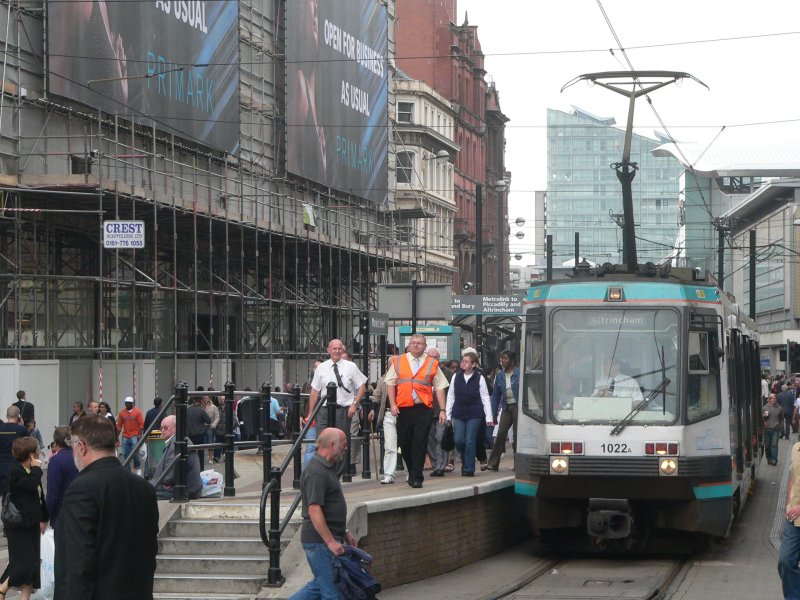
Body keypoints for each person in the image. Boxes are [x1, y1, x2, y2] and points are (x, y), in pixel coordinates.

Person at [54, 414, 158, 599]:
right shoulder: (144, 488)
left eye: (72, 446)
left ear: (81, 447)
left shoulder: (82, 489)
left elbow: (76, 562)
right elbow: (148, 552)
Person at [289, 428, 357, 600]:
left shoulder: (326, 468)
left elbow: (329, 507)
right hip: (320, 543)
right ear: (332, 444)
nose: (346, 448)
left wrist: (344, 531)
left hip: (324, 541)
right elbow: (314, 509)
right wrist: (331, 542)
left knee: (319, 587)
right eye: (344, 444)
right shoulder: (316, 471)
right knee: (332, 593)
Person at [386, 333, 448, 488]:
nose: (415, 345)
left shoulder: (431, 363)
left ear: (424, 346)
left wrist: (442, 410)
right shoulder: (399, 361)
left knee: (419, 442)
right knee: (404, 443)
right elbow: (390, 383)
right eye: (413, 342)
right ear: (409, 344)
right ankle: (413, 471)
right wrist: (393, 404)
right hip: (403, 408)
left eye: (419, 343)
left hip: (423, 408)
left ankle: (417, 477)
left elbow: (440, 387)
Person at [305, 339, 368, 475]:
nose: (337, 351)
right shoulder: (321, 368)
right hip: (324, 410)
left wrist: (354, 404)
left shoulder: (351, 366)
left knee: (340, 444)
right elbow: (314, 391)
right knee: (322, 441)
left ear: (343, 350)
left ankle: (336, 476)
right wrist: (311, 413)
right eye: (334, 348)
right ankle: (322, 473)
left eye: (340, 348)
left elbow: (362, 387)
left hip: (343, 410)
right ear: (328, 350)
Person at [0, 437, 48, 600]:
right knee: (24, 564)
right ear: (31, 455)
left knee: (33, 565)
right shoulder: (15, 471)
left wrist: (44, 517)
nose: (39, 453)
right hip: (18, 525)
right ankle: (2, 588)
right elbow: (29, 485)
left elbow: (39, 497)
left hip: (32, 523)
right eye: (37, 450)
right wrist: (37, 469)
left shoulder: (31, 471)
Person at [445, 350, 494, 477]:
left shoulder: (479, 377)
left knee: (470, 440)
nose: (463, 363)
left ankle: (469, 468)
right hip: (459, 412)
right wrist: (448, 414)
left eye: (466, 362)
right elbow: (451, 396)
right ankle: (465, 459)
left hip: (475, 413)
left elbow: (485, 397)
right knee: (458, 439)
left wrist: (489, 417)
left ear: (473, 364)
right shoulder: (456, 377)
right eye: (463, 361)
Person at [150, 416, 202, 500]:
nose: (162, 430)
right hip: (186, 488)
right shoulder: (176, 441)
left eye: (166, 428)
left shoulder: (176, 443)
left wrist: (163, 483)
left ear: (176, 428)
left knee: (144, 493)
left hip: (183, 490)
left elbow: (169, 477)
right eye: (161, 428)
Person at [485, 350, 520, 472]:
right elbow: (496, 396)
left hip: (517, 407)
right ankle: (493, 463)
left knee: (517, 436)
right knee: (500, 434)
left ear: (512, 360)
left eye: (505, 358)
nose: (503, 361)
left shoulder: (519, 373)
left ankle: (518, 464)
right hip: (506, 407)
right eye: (501, 359)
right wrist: (494, 414)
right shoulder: (500, 375)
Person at [368, 359, 398, 484]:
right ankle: (389, 474)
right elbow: (377, 396)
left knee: (406, 445)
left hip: (404, 414)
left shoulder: (405, 378)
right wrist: (372, 409)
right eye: (391, 364)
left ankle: (411, 472)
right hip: (388, 414)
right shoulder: (383, 379)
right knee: (389, 446)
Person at [45, 426, 79, 530]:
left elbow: (52, 493)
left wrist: (45, 517)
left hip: (62, 513)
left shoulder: (56, 461)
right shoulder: (80, 456)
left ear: (55, 441)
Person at [425, 347, 451, 477]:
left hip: (441, 411)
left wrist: (447, 410)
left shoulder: (447, 373)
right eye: (431, 357)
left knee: (440, 438)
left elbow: (451, 393)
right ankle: (436, 464)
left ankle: (441, 465)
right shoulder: (423, 371)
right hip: (427, 411)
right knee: (430, 439)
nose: (434, 359)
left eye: (436, 357)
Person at [0, 406, 30, 496]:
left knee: (4, 495)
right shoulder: (22, 430)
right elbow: (29, 446)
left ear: (6, 415)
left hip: (2, 466)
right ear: (19, 416)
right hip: (18, 467)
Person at [116, 396, 144, 475]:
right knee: (125, 454)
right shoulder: (122, 413)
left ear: (132, 404)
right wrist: (116, 436)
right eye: (126, 403)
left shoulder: (137, 412)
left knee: (134, 452)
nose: (127, 405)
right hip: (125, 435)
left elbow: (141, 424)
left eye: (128, 403)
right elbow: (119, 426)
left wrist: (139, 435)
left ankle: (137, 466)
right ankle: (128, 471)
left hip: (134, 435)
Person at [187, 395, 211, 470]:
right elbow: (208, 420)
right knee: (201, 453)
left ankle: (190, 469)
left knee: (190, 453)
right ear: (201, 401)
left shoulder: (187, 410)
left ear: (193, 400)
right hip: (199, 435)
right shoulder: (201, 411)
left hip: (189, 435)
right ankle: (201, 469)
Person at [764, 393, 784, 466]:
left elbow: (782, 418)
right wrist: (764, 419)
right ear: (769, 400)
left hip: (775, 429)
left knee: (774, 445)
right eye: (772, 398)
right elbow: (762, 418)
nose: (774, 400)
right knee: (767, 446)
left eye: (775, 398)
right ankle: (769, 458)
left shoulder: (780, 408)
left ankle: (774, 460)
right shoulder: (765, 407)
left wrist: (780, 426)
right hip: (767, 430)